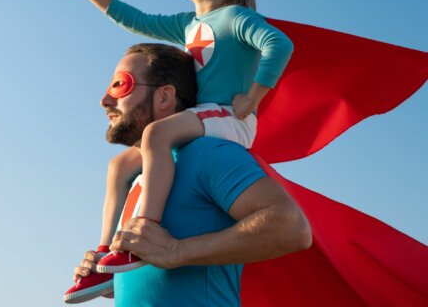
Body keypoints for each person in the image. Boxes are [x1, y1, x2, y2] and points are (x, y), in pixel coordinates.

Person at [74, 0, 294, 275]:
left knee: (156, 136)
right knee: (119, 166)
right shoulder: (188, 25)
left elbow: (278, 45)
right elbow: (139, 20)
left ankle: (147, 229)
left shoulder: (236, 18)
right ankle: (106, 252)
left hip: (227, 116)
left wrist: (253, 97)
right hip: (199, 118)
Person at [64, 43, 311, 305]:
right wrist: (109, 273)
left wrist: (178, 251)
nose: (105, 101)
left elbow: (291, 226)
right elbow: (157, 270)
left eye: (119, 85)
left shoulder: (207, 153)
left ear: (164, 97)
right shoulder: (138, 177)